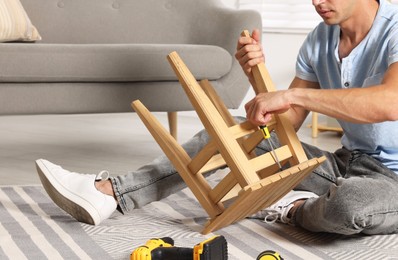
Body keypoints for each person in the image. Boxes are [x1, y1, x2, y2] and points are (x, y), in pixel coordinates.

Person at [36, 0, 398, 235]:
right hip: (344, 163)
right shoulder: (320, 40)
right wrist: (260, 79)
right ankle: (111, 193)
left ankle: (296, 209)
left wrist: (292, 93)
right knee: (233, 134)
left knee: (351, 206)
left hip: (392, 179)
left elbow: (390, 103)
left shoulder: (394, 27)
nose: (317, 2)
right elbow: (284, 130)